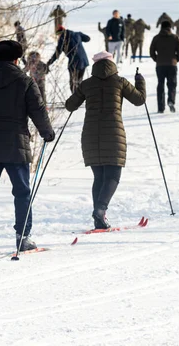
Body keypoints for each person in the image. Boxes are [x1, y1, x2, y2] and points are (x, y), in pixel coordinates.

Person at [0, 40, 55, 254]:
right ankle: (23, 237)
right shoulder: (24, 81)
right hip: (16, 143)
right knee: (22, 192)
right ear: (17, 59)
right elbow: (37, 110)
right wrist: (47, 132)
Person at [65, 52, 146, 229]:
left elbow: (70, 105)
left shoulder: (87, 84)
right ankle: (100, 211)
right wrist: (140, 81)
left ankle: (99, 219)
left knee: (99, 176)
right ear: (112, 64)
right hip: (113, 133)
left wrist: (81, 91)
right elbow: (139, 100)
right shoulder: (120, 82)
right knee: (113, 175)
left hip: (90, 134)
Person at [149, 20, 179, 113]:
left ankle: (161, 107)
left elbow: (151, 51)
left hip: (160, 65)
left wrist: (156, 59)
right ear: (170, 27)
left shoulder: (156, 38)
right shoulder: (175, 37)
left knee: (160, 85)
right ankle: (171, 101)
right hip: (172, 64)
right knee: (172, 84)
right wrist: (176, 59)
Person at [47, 25, 90, 94]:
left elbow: (57, 54)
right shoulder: (77, 34)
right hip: (84, 61)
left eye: (58, 35)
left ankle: (76, 99)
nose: (58, 36)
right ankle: (81, 97)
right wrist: (80, 36)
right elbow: (88, 39)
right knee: (79, 81)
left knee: (73, 83)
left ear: (60, 33)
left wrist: (48, 63)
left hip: (74, 62)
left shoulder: (62, 39)